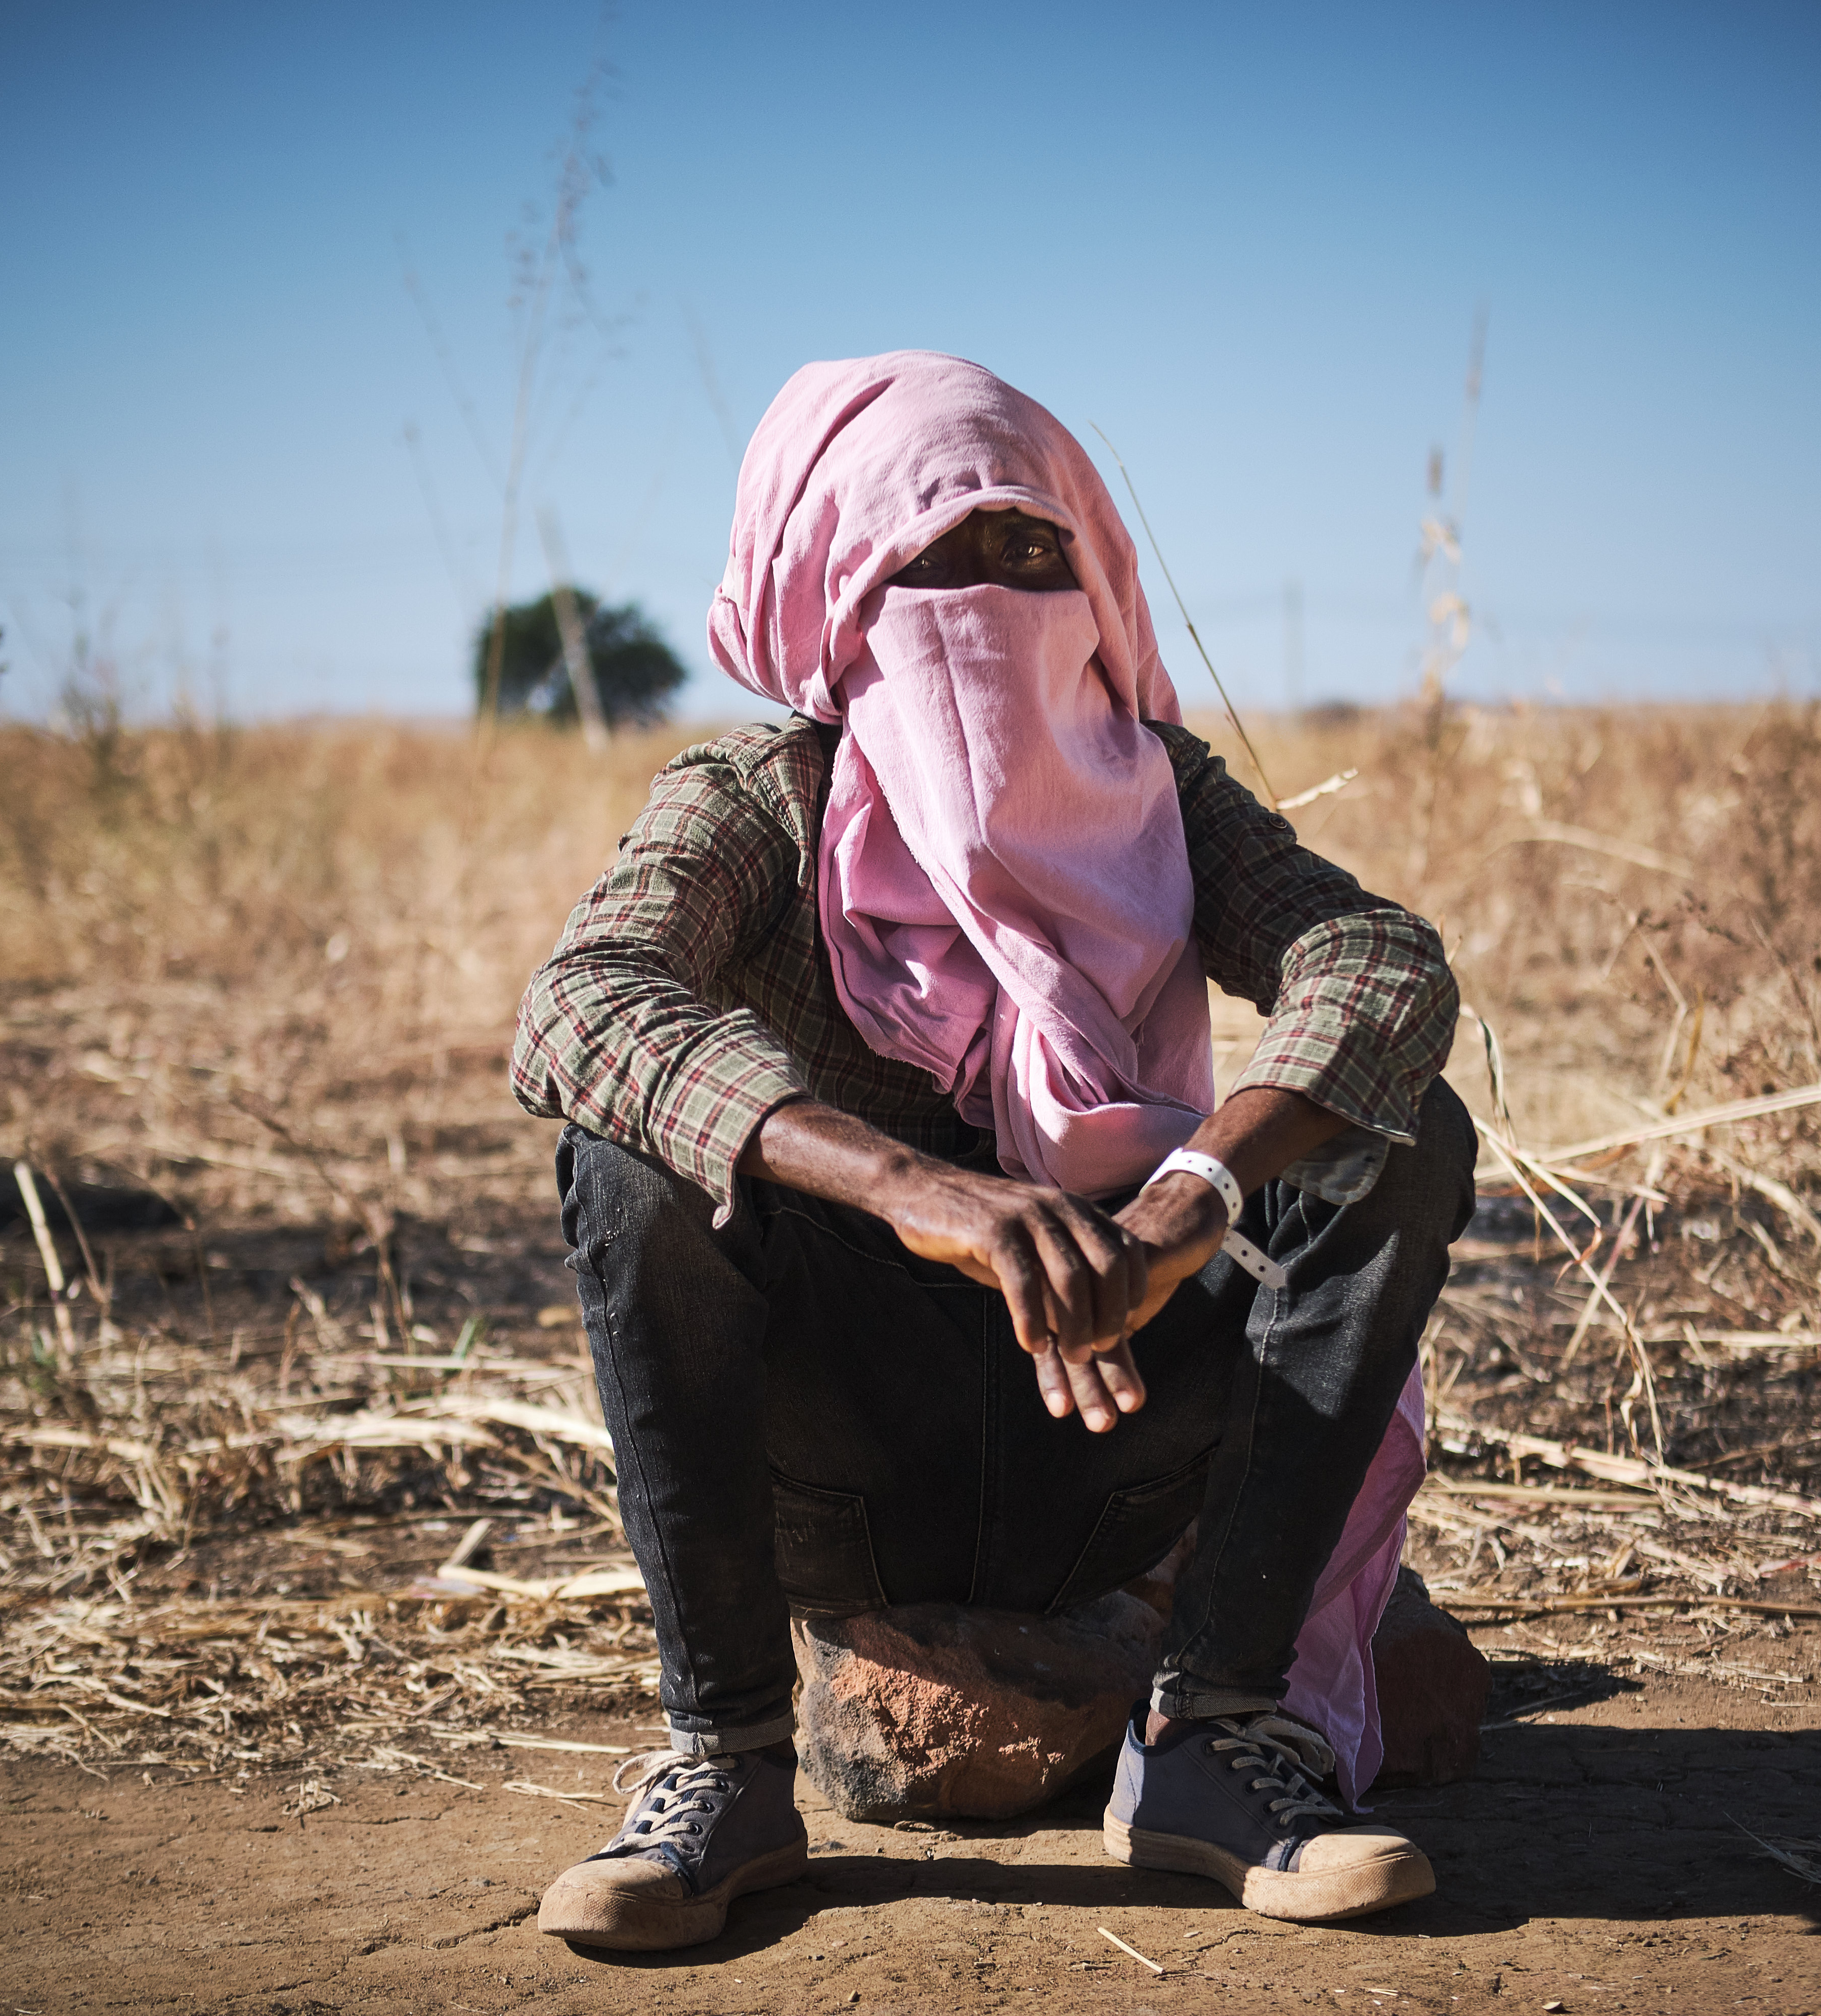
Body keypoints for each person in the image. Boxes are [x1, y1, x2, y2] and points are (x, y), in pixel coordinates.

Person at [510, 351, 1472, 1953]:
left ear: (1095, 580)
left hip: (1118, 1433)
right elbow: (580, 1005)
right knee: (634, 1158)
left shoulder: (1164, 794)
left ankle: (1215, 1735)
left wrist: (1185, 1206)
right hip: (845, 1469)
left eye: (1033, 549)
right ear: (836, 587)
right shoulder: (763, 796)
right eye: (931, 554)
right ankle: (726, 1765)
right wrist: (915, 1189)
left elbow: (1379, 968)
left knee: (1395, 1129)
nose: (991, 592)